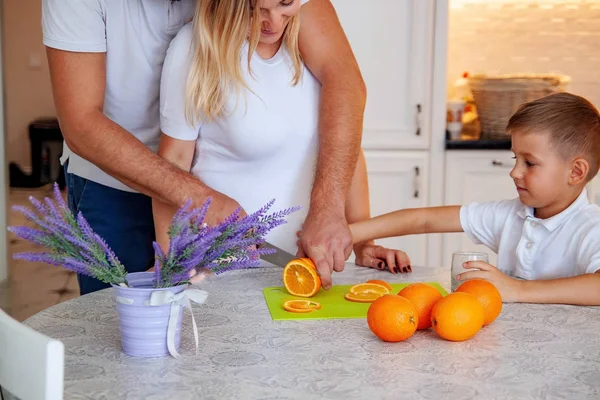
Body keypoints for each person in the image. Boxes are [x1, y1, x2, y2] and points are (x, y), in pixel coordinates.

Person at [42, 0, 367, 294]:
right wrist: (200, 201)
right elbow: (81, 125)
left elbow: (344, 79)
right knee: (122, 327)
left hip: (201, 185)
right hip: (111, 179)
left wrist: (331, 210)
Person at [154, 0, 411, 286]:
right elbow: (170, 168)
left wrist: (364, 244)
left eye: (285, 4)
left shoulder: (314, 50)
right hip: (223, 275)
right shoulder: (192, 49)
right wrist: (170, 268)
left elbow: (346, 152)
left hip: (305, 276)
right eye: (254, 9)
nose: (273, 22)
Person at [350, 93, 600, 306]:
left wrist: (517, 289)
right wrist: (348, 234)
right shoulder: (510, 215)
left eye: (530, 163)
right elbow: (424, 220)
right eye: (515, 159)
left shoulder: (591, 228)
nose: (514, 172)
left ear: (576, 172)